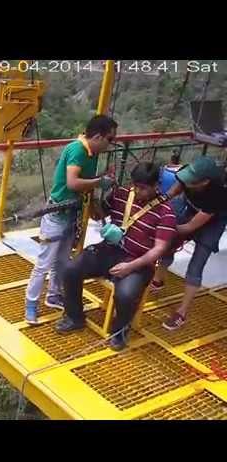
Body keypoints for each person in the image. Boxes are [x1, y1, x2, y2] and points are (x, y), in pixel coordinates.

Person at [55, 162, 177, 351]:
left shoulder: (165, 212)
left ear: (156, 186)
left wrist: (131, 267)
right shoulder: (122, 194)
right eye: (135, 185)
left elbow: (159, 249)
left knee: (126, 295)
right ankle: (74, 317)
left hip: (138, 261)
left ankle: (119, 331)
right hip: (109, 250)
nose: (137, 191)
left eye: (143, 188)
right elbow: (100, 213)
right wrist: (94, 202)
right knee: (70, 270)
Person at [24, 115, 117, 325]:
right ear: (98, 136)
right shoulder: (77, 150)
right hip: (57, 214)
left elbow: (85, 185)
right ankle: (30, 304)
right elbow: (73, 183)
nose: (110, 145)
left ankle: (54, 295)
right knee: (44, 262)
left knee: (62, 261)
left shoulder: (91, 154)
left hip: (71, 213)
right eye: (110, 140)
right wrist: (100, 182)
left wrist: (97, 198)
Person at [151, 156, 227, 330]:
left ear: (205, 182)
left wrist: (165, 227)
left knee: (196, 264)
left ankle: (182, 312)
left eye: (191, 182)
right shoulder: (186, 177)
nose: (187, 183)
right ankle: (158, 279)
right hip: (191, 208)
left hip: (212, 222)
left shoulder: (219, 195)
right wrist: (153, 205)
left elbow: (188, 228)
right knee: (167, 246)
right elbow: (170, 193)